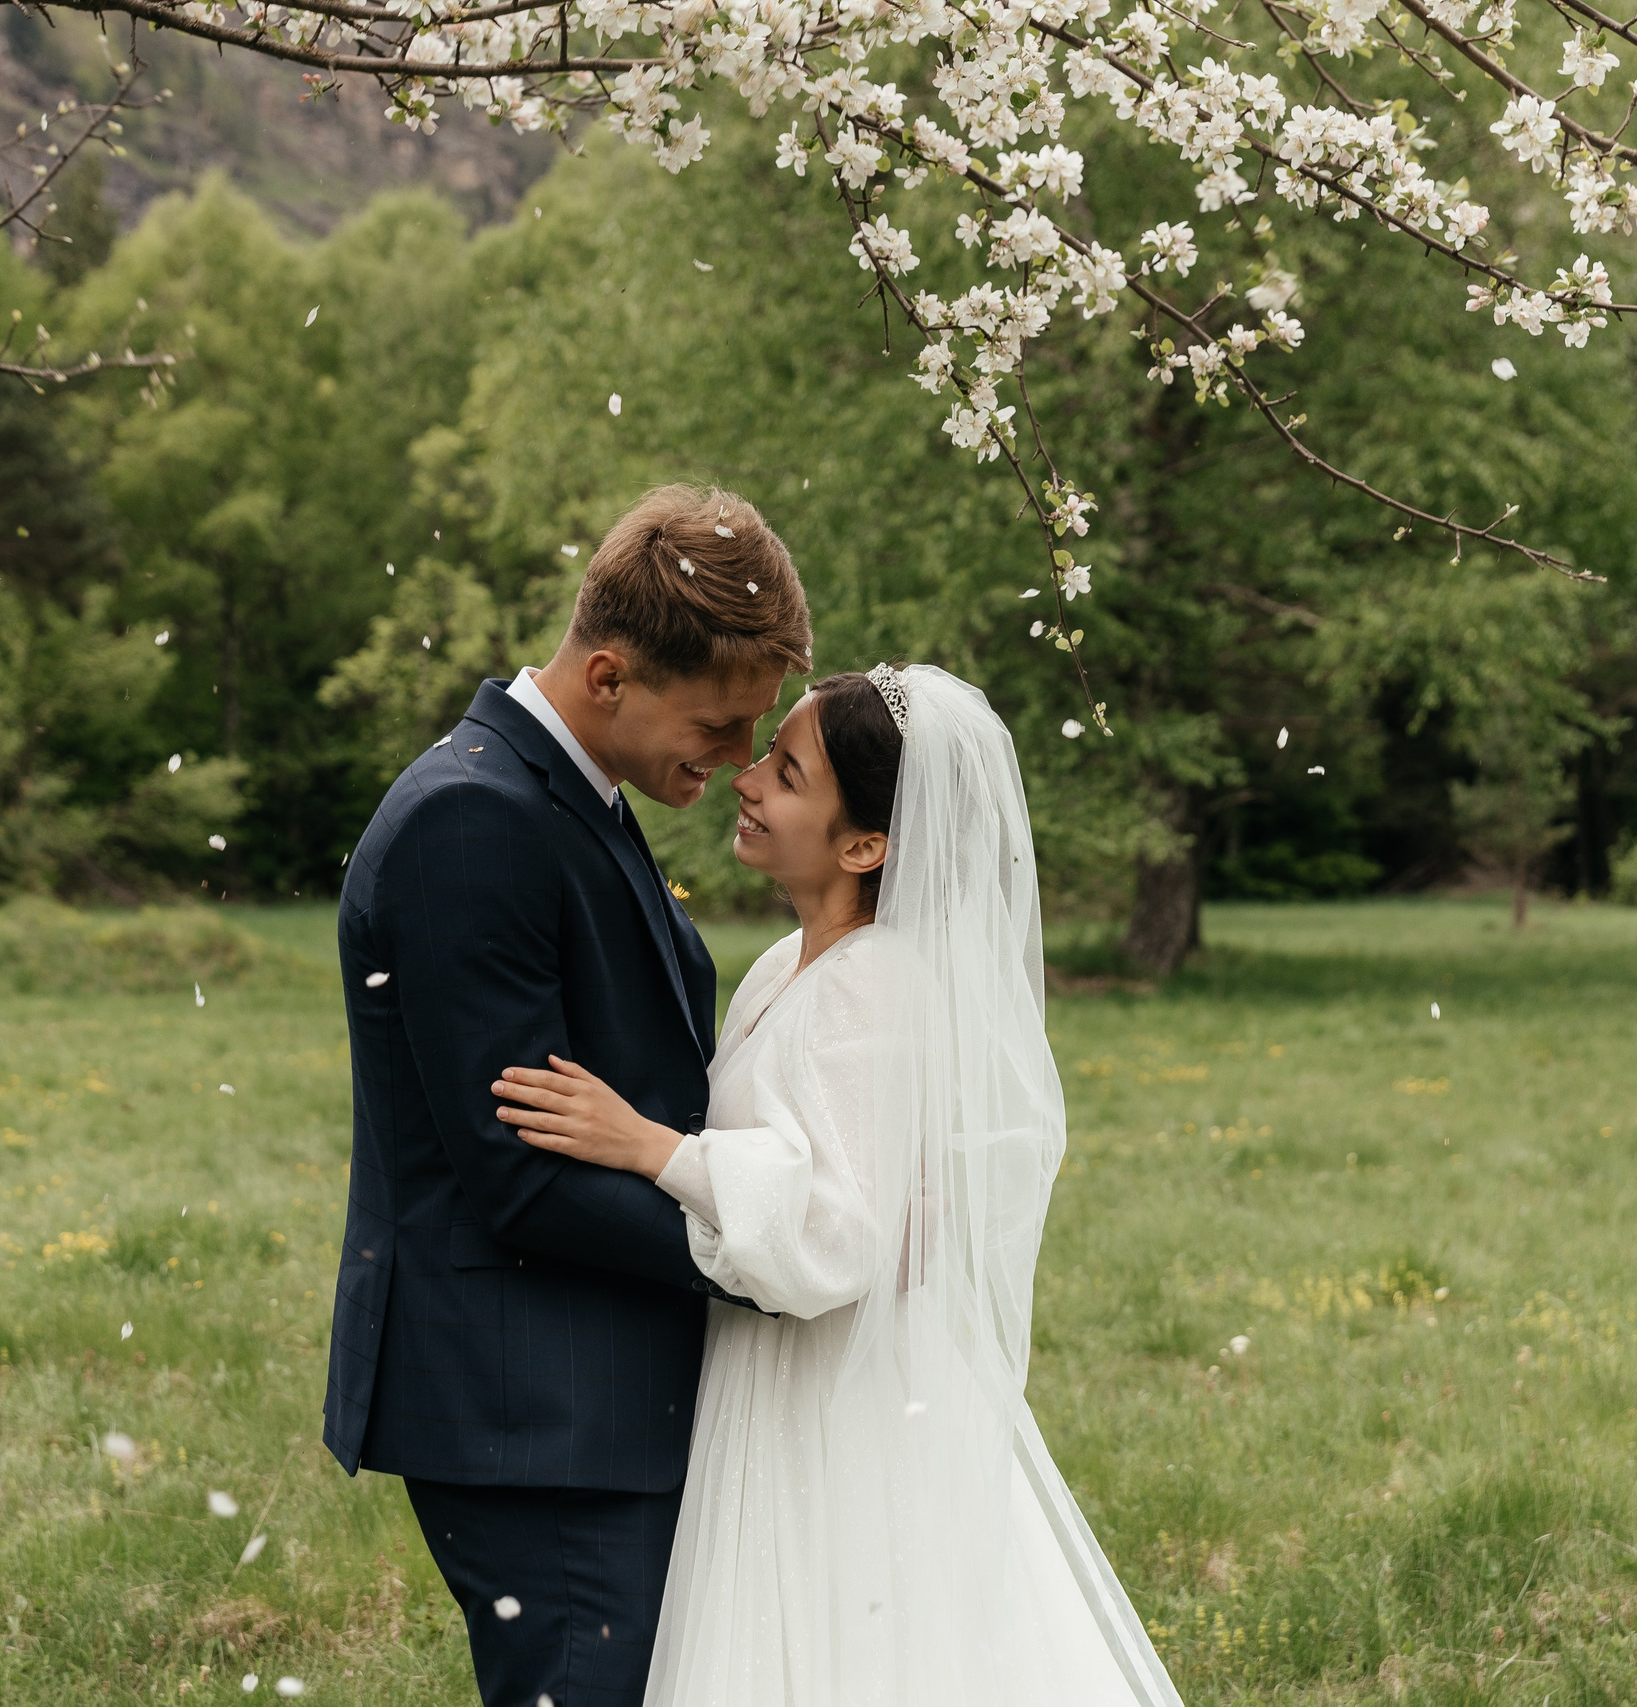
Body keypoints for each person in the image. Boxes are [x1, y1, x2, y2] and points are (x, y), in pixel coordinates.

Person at [493, 664, 1187, 1706]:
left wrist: (651, 1149)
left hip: (835, 1391)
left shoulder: (877, 987)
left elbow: (839, 1234)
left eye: (786, 773)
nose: (747, 781)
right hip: (773, 1364)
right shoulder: (787, 966)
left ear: (866, 846)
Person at [326, 485, 811, 1707]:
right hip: (534, 1415)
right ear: (609, 677)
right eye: (719, 723)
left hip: (585, 1399)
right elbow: (523, 1175)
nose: (740, 761)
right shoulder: (471, 821)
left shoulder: (561, 793)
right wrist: (761, 1248)